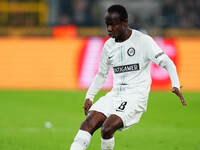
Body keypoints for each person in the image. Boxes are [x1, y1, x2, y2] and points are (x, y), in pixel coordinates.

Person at [70, 4, 186, 150]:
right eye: (107, 25)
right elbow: (101, 74)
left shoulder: (143, 41)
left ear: (125, 22)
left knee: (107, 129)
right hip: (115, 94)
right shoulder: (108, 46)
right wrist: (90, 96)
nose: (109, 29)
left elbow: (168, 63)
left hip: (135, 97)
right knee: (87, 124)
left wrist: (175, 84)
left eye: (113, 25)